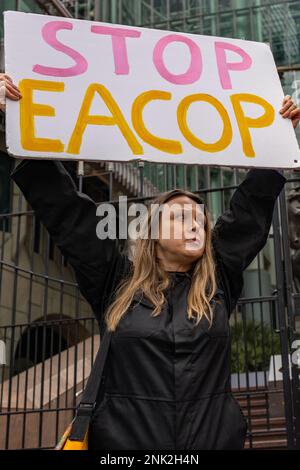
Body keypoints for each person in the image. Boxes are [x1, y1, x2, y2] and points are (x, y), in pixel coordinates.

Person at [2, 72, 300, 450]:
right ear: (153, 232)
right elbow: (67, 214)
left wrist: (277, 140)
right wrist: (14, 120)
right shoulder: (116, 282)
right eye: (179, 216)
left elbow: (248, 212)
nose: (194, 223)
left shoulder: (217, 280)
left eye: (200, 218)